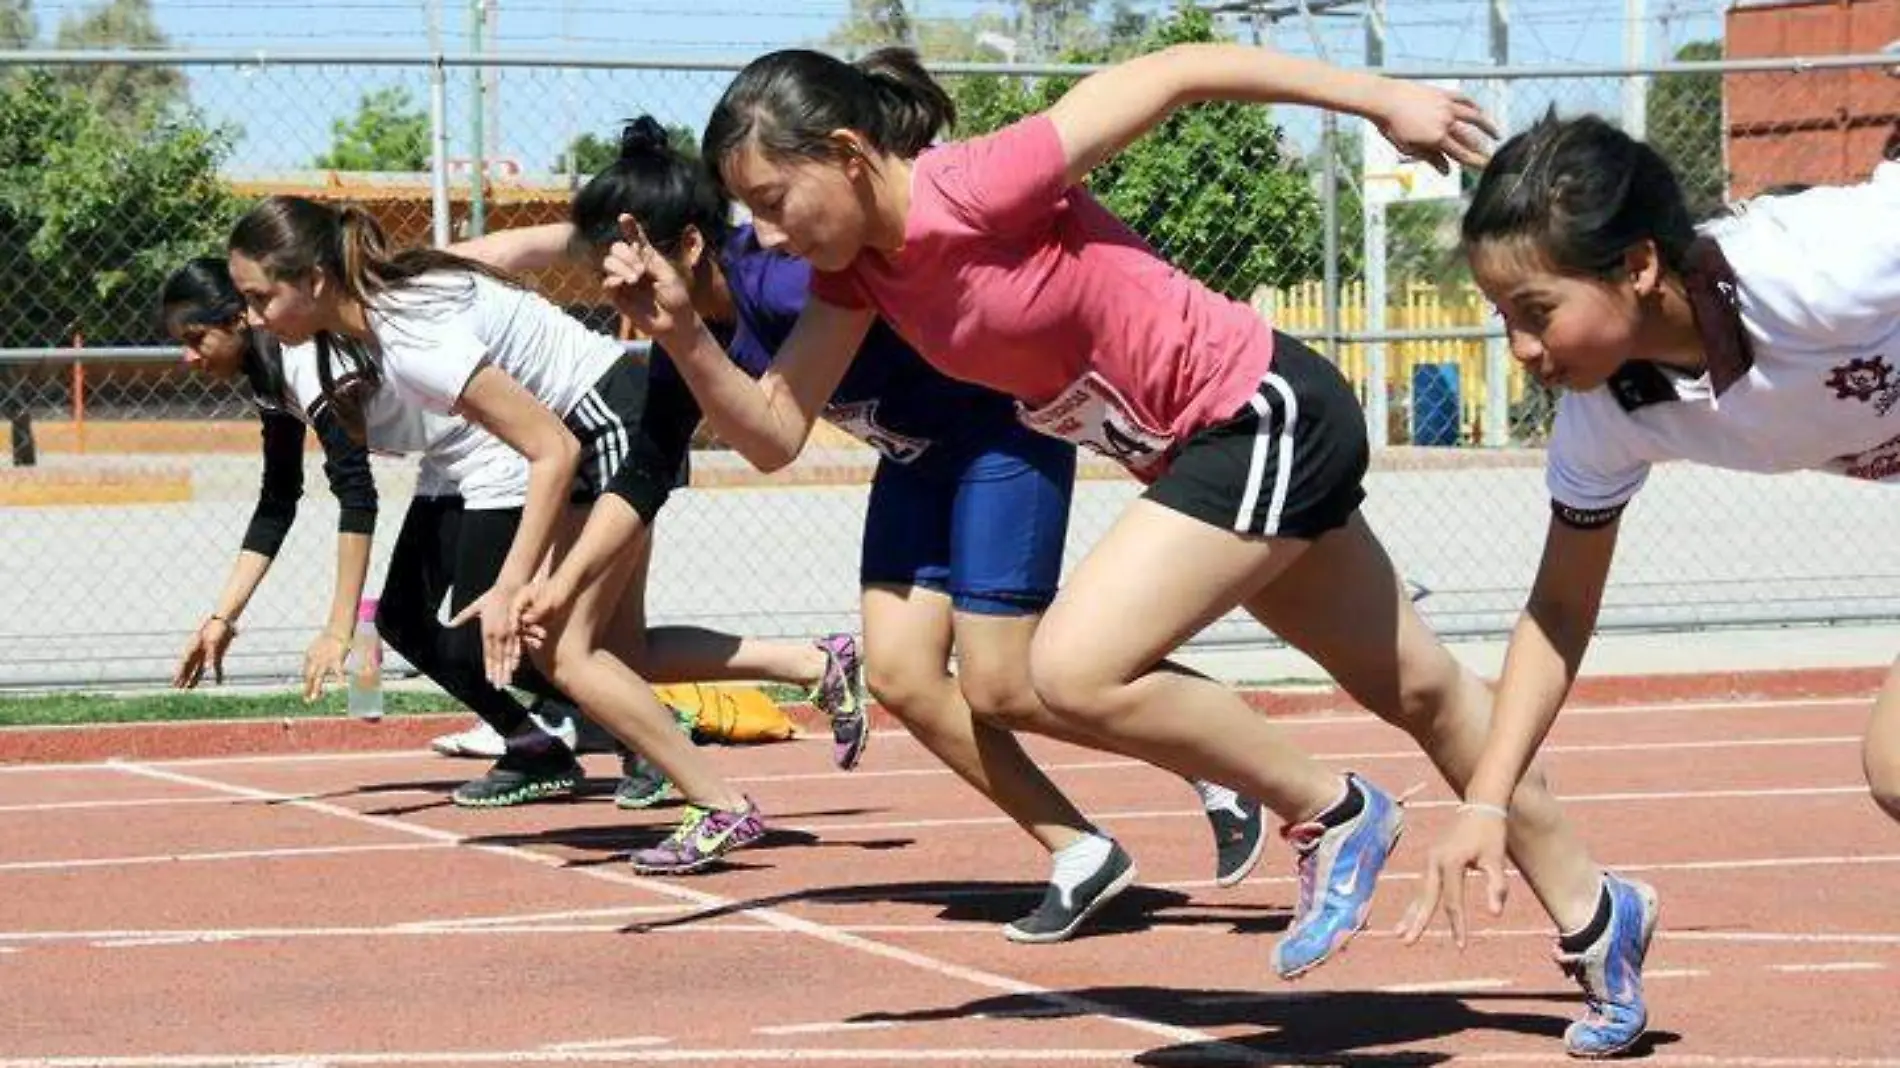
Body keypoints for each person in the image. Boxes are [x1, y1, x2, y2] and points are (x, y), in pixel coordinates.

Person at [597, 45, 1622, 1039]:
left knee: (1072, 666)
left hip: (1256, 411)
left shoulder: (978, 185)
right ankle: (1596, 915)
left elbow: (1175, 73)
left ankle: (1331, 809)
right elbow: (774, 434)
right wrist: (683, 331)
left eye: (775, 201)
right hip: (1193, 455)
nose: (767, 236)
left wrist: (1376, 99)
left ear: (848, 153)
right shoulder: (855, 276)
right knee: (1426, 694)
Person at [522, 116, 1268, 941]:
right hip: (915, 463)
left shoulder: (787, 283)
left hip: (997, 435)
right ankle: (1080, 850)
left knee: (1005, 679)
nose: (610, 289)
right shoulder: (682, 344)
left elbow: (901, 289)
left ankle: (1215, 750)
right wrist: (558, 583)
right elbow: (648, 470)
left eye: (621, 267)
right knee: (905, 678)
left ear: (688, 247)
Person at [1406, 114, 1900, 1056]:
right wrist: (1487, 799)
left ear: (1636, 267)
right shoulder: (1610, 414)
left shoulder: (1821, 267)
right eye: (1501, 318)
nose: (1519, 348)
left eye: (1536, 311)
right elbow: (1557, 613)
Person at [226, 195, 863, 873]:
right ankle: (817, 664)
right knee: (618, 654)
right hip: (612, 415)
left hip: (608, 423)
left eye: (262, 297)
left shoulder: (411, 340)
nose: (255, 319)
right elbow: (524, 264)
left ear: (316, 281)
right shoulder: (397, 294)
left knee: (562, 651)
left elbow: (551, 450)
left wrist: (510, 584)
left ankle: (718, 802)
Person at [160, 256, 595, 808]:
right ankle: (536, 745)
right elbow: (277, 501)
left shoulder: (306, 362)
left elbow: (356, 494)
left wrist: (339, 629)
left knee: (476, 634)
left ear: (239, 320)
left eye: (197, 337)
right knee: (403, 621)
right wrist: (222, 618)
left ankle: (636, 718)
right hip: (449, 460)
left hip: (497, 453)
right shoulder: (272, 381)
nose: (188, 356)